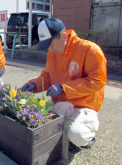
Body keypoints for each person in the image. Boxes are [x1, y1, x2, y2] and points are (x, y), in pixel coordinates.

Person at [21, 18, 107, 149]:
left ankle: (89, 134)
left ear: (64, 36)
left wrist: (64, 88)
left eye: (51, 44)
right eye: (47, 45)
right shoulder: (52, 53)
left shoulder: (90, 50)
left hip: (83, 105)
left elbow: (97, 81)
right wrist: (35, 84)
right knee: (32, 117)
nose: (49, 48)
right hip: (60, 102)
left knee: (76, 135)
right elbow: (47, 76)